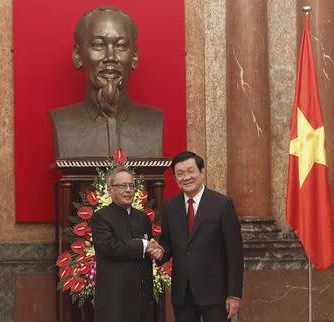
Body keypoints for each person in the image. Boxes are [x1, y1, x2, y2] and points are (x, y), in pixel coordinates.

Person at [50, 6, 163, 158]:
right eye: (98, 45)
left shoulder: (152, 121)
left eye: (121, 46)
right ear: (78, 56)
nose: (110, 57)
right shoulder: (63, 123)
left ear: (134, 57)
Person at [157, 151, 244, 322]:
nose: (186, 177)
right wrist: (158, 251)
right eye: (180, 174)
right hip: (182, 294)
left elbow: (235, 253)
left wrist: (234, 295)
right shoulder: (170, 207)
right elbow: (167, 245)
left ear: (202, 172)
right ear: (175, 179)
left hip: (215, 294)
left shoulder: (222, 205)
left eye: (191, 171)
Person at [91, 166, 162, 322]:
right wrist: (143, 246)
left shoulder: (142, 218)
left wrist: (155, 251)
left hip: (142, 296)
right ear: (110, 190)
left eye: (131, 185)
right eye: (123, 186)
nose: (129, 190)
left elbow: (149, 248)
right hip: (115, 297)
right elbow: (110, 247)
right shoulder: (101, 217)